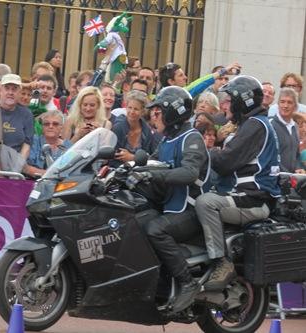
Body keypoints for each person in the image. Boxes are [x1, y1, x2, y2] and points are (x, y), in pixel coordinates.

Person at [127, 86, 209, 313]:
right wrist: (125, 171)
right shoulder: (166, 141)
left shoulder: (192, 138)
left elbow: (189, 173)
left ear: (172, 113)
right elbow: (149, 164)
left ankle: (187, 282)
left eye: (158, 112)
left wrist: (152, 174)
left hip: (190, 211)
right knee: (135, 222)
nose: (153, 116)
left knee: (155, 230)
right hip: (170, 208)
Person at [195, 76, 281, 292]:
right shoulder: (248, 125)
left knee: (206, 203)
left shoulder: (255, 126)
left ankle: (221, 262)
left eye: (230, 100)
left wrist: (205, 152)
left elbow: (225, 163)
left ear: (244, 101)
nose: (225, 104)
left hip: (253, 198)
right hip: (242, 195)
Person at [112, 90, 156, 165]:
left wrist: (132, 157)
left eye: (136, 109)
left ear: (142, 111)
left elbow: (152, 157)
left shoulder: (147, 132)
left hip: (140, 171)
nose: (132, 112)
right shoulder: (118, 127)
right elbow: (113, 157)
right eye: (129, 107)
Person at [24, 110, 71, 178]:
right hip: (32, 181)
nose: (50, 126)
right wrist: (48, 174)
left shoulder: (68, 146)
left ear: (61, 127)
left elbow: (71, 170)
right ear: (42, 127)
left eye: (55, 124)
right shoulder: (33, 141)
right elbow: (25, 167)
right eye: (46, 124)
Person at [270, 87, 300, 173]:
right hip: (275, 179)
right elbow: (270, 156)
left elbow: (296, 154)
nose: (285, 106)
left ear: (295, 106)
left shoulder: (296, 127)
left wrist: (298, 168)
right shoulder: (270, 125)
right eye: (282, 102)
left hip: (291, 180)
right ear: (278, 104)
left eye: (289, 102)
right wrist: (286, 174)